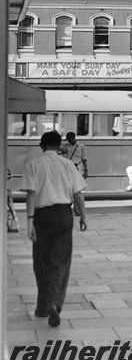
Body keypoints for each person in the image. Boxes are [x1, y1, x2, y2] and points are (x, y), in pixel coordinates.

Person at [19, 131, 87, 328]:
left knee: (40, 262)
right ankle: (54, 303)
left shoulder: (33, 165)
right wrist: (83, 216)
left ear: (41, 145)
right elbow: (79, 194)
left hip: (41, 217)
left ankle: (42, 306)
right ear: (59, 146)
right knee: (60, 262)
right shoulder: (67, 165)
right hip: (63, 216)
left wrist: (30, 221)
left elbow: (30, 195)